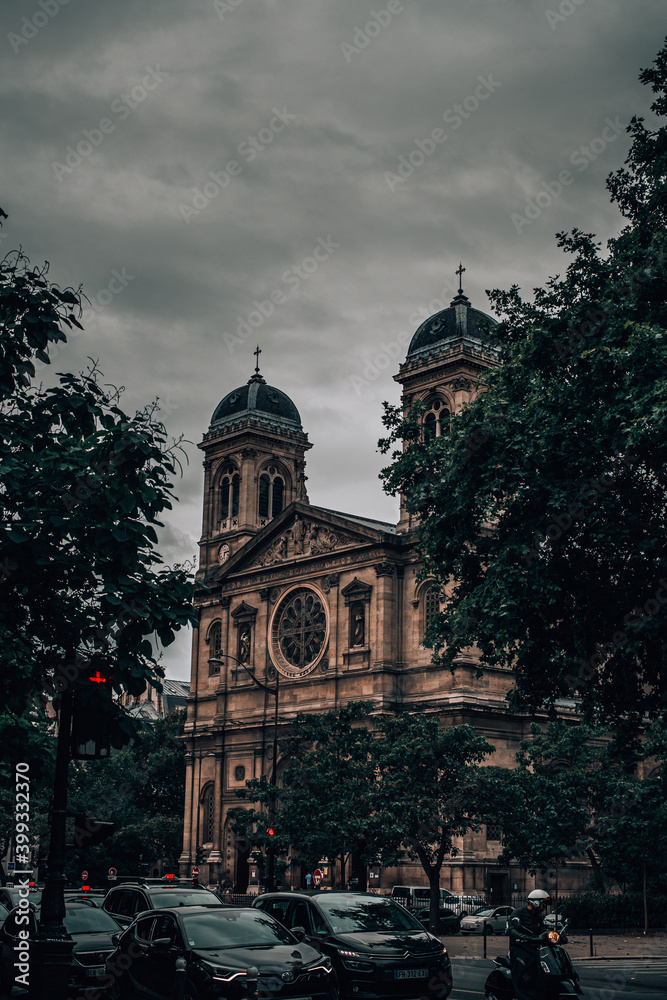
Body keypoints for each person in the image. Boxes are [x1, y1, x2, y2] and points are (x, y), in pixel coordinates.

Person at [508, 889, 551, 1000]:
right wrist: (526, 938)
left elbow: (543, 931)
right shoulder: (518, 913)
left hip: (533, 949)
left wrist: (555, 936)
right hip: (519, 948)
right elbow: (512, 930)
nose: (544, 907)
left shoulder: (537, 918)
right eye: (544, 904)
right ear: (536, 903)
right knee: (521, 975)